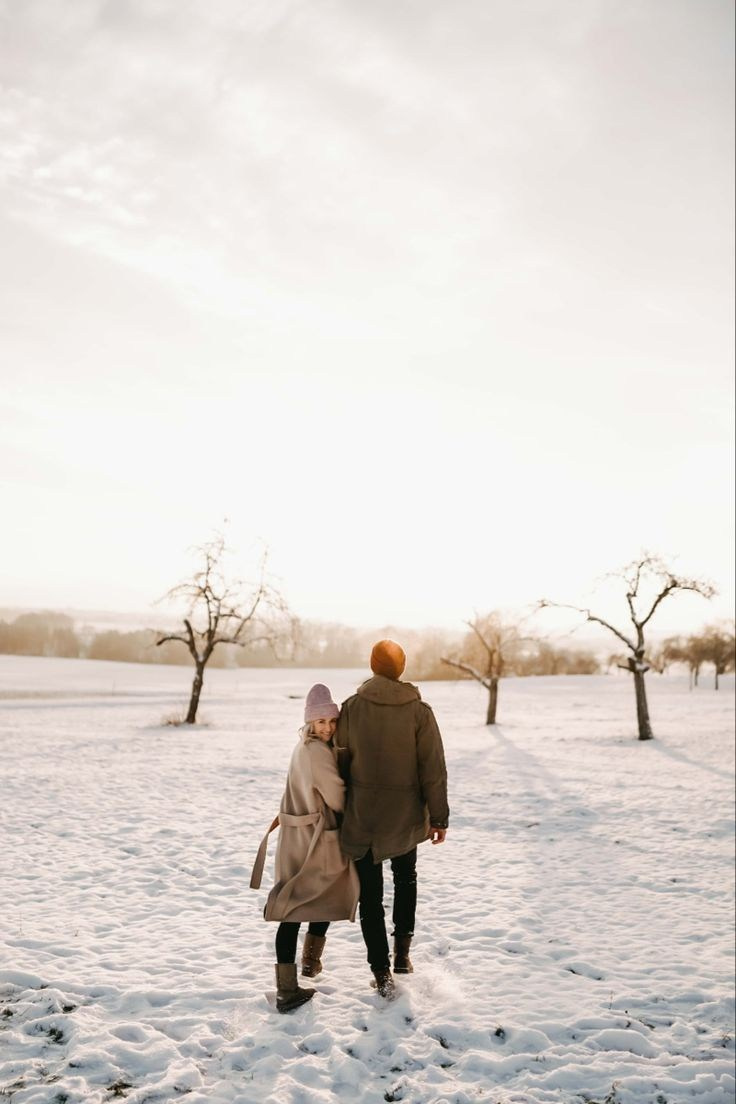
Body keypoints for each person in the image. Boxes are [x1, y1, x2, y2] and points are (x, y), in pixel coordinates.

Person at [335, 640, 449, 998]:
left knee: (370, 896)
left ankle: (381, 972)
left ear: (372, 665)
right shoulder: (419, 711)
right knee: (406, 879)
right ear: (402, 669)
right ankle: (402, 956)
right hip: (405, 816)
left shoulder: (351, 708)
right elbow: (433, 769)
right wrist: (439, 817)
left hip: (363, 816)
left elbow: (339, 762)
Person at [250, 683, 359, 1013]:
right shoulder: (315, 752)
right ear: (310, 722)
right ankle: (287, 989)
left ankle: (309, 966)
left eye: (332, 721)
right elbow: (337, 796)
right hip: (313, 839)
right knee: (296, 908)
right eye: (321, 722)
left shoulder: (303, 746)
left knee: (315, 898)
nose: (327, 728)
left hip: (298, 837)